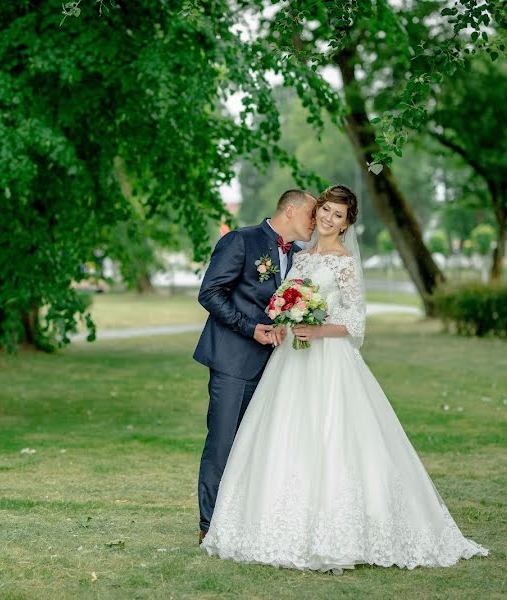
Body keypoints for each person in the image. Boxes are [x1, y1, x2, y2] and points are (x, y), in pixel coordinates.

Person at [201, 185, 488, 572]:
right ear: (311, 212)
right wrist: (286, 321)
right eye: (324, 211)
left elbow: (355, 322)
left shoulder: (345, 263)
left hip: (328, 361)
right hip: (284, 363)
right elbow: (262, 300)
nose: (327, 219)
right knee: (273, 438)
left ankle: (336, 528)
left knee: (331, 438)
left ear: (347, 222)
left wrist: (316, 330)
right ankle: (228, 522)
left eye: (338, 215)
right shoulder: (297, 258)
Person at [193, 189, 318, 544]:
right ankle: (210, 526)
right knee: (222, 444)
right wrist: (251, 328)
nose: (315, 222)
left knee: (259, 445)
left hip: (277, 368)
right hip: (232, 360)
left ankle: (245, 518)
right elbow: (210, 293)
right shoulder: (241, 241)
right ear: (291, 211)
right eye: (311, 214)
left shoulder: (299, 257)